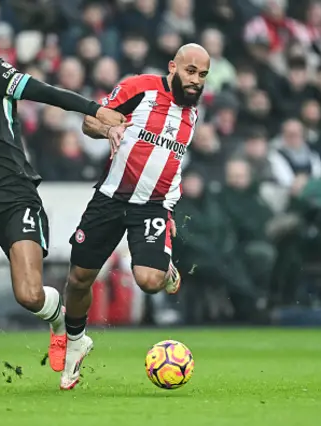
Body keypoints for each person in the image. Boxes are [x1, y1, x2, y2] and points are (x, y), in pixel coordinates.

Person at [0, 13, 126, 393]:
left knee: (29, 295)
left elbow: (45, 91)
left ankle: (63, 326)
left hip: (15, 197)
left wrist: (93, 109)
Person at [60, 44, 210, 389]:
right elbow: (88, 122)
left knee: (149, 280)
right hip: (110, 199)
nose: (195, 81)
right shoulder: (138, 88)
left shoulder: (192, 113)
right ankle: (75, 343)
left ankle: (165, 265)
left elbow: (166, 161)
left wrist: (169, 203)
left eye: (202, 75)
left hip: (153, 206)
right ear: (173, 66)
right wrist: (108, 130)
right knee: (80, 279)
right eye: (190, 71)